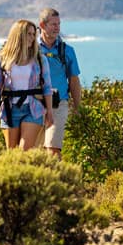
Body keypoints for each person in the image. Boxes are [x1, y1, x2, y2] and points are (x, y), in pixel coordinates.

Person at [0, 19, 54, 150]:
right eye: (28, 34)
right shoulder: (2, 59)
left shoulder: (40, 59)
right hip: (9, 110)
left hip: (33, 109)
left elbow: (47, 88)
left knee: (24, 151)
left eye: (33, 34)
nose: (32, 38)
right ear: (18, 35)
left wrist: (50, 112)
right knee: (11, 152)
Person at [38, 8, 82, 156]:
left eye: (59, 24)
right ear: (42, 25)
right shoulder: (31, 49)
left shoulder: (67, 51)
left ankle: (58, 178)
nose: (57, 28)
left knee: (53, 149)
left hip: (59, 103)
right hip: (34, 103)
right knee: (35, 151)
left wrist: (77, 107)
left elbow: (74, 80)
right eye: (53, 24)